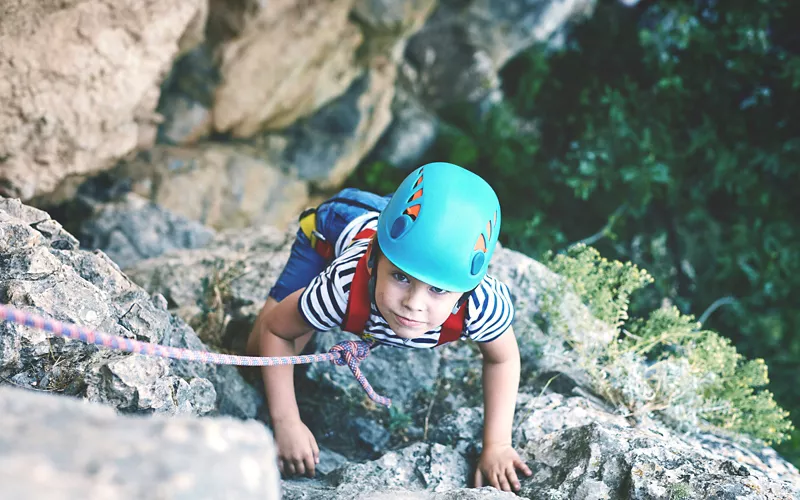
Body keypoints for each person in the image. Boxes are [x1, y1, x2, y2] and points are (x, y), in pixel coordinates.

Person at [246, 162, 532, 492]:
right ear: (372, 262)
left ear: (464, 294)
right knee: (256, 355)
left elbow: (503, 359)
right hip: (338, 225)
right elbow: (276, 331)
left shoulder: (481, 306)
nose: (413, 303)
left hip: (402, 231)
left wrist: (496, 444)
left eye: (437, 290)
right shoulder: (342, 285)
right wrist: (287, 422)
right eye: (400, 277)